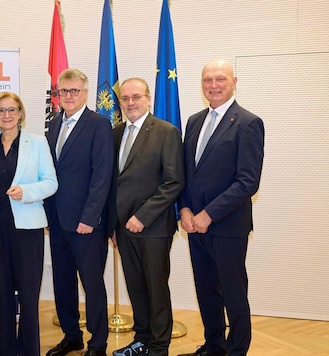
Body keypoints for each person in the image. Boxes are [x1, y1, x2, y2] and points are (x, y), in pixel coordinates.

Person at [177, 59, 264, 356]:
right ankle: (214, 346)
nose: (213, 85)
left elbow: (247, 181)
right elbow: (187, 173)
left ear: (234, 81)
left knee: (233, 293)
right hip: (194, 225)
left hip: (227, 226)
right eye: (207, 80)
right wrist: (185, 210)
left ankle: (237, 350)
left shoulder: (248, 123)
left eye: (220, 79)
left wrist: (208, 214)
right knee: (206, 291)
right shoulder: (194, 121)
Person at [106, 78, 185, 356]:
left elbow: (174, 181)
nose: (130, 103)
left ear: (148, 98)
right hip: (122, 229)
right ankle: (142, 340)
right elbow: (112, 182)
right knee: (136, 287)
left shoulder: (166, 132)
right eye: (125, 98)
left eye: (136, 97)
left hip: (152, 227)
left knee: (156, 289)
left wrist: (142, 216)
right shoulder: (115, 133)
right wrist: (111, 225)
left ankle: (159, 347)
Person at [0, 92, 58, 356]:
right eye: (1, 111)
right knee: (0, 292)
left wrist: (27, 191)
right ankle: (4, 350)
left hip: (27, 229)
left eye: (12, 110)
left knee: (27, 294)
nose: (7, 115)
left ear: (20, 113)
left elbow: (50, 182)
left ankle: (28, 350)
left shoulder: (37, 143)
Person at [44, 68, 114, 356]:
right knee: (63, 283)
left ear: (85, 93)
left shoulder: (99, 124)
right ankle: (72, 336)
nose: (68, 96)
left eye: (74, 91)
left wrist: (90, 218)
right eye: (64, 91)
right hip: (57, 221)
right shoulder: (53, 124)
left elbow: (102, 175)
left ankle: (98, 343)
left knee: (92, 285)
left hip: (86, 224)